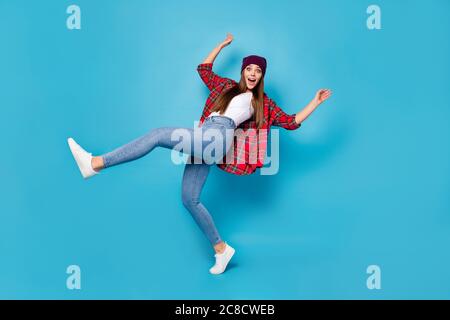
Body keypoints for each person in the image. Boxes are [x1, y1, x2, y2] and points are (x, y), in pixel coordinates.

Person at [67, 33, 332, 275]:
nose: (253, 73)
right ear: (243, 71)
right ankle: (222, 249)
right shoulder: (226, 87)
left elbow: (291, 121)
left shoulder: (262, 102)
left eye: (258, 71)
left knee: (159, 134)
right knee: (189, 199)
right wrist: (220, 46)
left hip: (218, 138)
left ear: (262, 76)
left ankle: (96, 163)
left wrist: (315, 102)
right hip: (206, 133)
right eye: (249, 68)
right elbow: (204, 70)